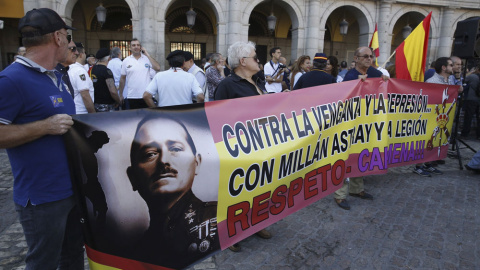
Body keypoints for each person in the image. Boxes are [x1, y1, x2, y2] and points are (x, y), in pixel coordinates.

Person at [0, 8, 84, 269]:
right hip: (42, 197)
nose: (70, 45)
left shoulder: (57, 76)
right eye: (68, 38)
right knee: (43, 263)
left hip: (72, 189)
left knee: (72, 257)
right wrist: (44, 126)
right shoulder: (10, 79)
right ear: (58, 37)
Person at [127, 114, 219, 269]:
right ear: (133, 177)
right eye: (150, 154)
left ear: (197, 163)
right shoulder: (137, 252)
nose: (164, 160)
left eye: (175, 148)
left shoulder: (220, 216)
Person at [214, 41, 272, 251]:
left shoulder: (258, 81)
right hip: (239, 150)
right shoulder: (227, 85)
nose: (259, 60)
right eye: (256, 57)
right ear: (243, 61)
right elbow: (218, 118)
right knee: (236, 193)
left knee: (259, 188)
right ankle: (231, 233)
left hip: (263, 146)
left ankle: (256, 224)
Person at [334, 46, 380, 210]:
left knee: (361, 155)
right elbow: (341, 97)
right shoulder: (349, 76)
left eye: (371, 56)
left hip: (367, 123)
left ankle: (356, 189)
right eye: (365, 56)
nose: (369, 59)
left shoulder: (375, 74)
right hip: (350, 123)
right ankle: (340, 195)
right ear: (356, 58)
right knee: (345, 157)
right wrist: (355, 84)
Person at [119, 38, 160, 109]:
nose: (136, 47)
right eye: (133, 45)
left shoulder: (147, 59)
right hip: (132, 96)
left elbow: (157, 68)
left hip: (146, 96)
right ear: (130, 48)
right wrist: (120, 94)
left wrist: (147, 54)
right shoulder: (126, 60)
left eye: (138, 45)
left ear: (141, 47)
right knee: (135, 119)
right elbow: (122, 79)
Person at [69, 42, 96, 114]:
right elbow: (85, 95)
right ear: (81, 55)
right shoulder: (80, 71)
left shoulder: (70, 68)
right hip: (82, 112)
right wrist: (93, 113)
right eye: (84, 53)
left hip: (74, 109)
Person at [91, 48, 121, 112]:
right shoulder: (107, 71)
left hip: (95, 104)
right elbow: (113, 91)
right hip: (106, 106)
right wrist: (118, 101)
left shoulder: (92, 69)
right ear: (109, 58)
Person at [461, 62, 480, 140]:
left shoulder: (472, 77)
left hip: (471, 99)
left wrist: (470, 72)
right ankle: (478, 135)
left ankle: (465, 134)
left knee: (468, 117)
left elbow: (462, 79)